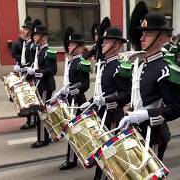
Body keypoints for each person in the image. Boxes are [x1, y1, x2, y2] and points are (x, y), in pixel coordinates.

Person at [118, 12, 180, 161]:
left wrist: (145, 115)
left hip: (153, 135)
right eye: (142, 33)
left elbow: (175, 108)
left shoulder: (165, 69)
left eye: (148, 34)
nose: (142, 38)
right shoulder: (140, 65)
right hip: (136, 131)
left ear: (161, 38)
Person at [92, 27, 132, 180]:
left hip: (113, 117)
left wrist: (107, 100)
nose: (102, 44)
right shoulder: (105, 65)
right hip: (102, 115)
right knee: (102, 151)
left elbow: (125, 95)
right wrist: (91, 103)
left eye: (106, 41)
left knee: (109, 152)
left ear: (116, 45)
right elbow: (101, 92)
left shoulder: (120, 67)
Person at [58, 33, 91, 170]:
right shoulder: (71, 62)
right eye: (69, 44)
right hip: (70, 99)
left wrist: (72, 90)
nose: (69, 46)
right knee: (73, 129)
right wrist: (63, 91)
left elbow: (85, 84)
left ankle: (73, 159)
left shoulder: (82, 63)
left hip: (77, 100)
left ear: (79, 47)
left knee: (74, 129)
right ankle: (74, 157)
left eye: (72, 44)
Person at [27, 25, 57, 148]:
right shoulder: (38, 50)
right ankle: (49, 135)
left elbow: (52, 70)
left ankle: (43, 139)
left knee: (41, 112)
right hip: (39, 85)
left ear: (43, 37)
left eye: (36, 35)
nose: (34, 36)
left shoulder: (48, 52)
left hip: (45, 86)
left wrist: (37, 72)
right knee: (43, 111)